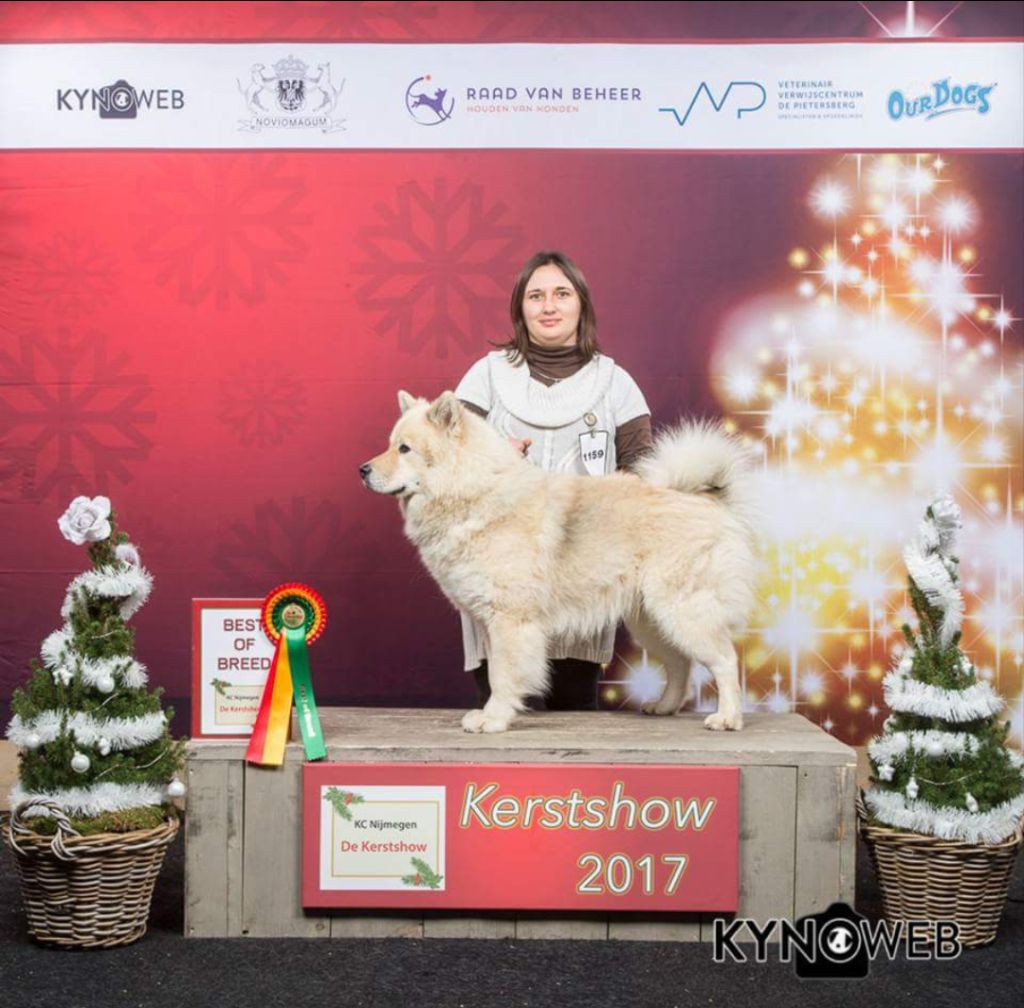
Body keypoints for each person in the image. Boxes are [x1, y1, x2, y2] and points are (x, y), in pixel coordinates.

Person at [454, 250, 653, 711]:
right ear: (520, 308)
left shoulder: (615, 384)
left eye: (562, 294)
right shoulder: (485, 377)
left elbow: (644, 476)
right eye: (536, 295)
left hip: (584, 570)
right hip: (496, 571)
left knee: (574, 712)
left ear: (580, 305)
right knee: (500, 708)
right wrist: (493, 461)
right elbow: (445, 464)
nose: (549, 306)